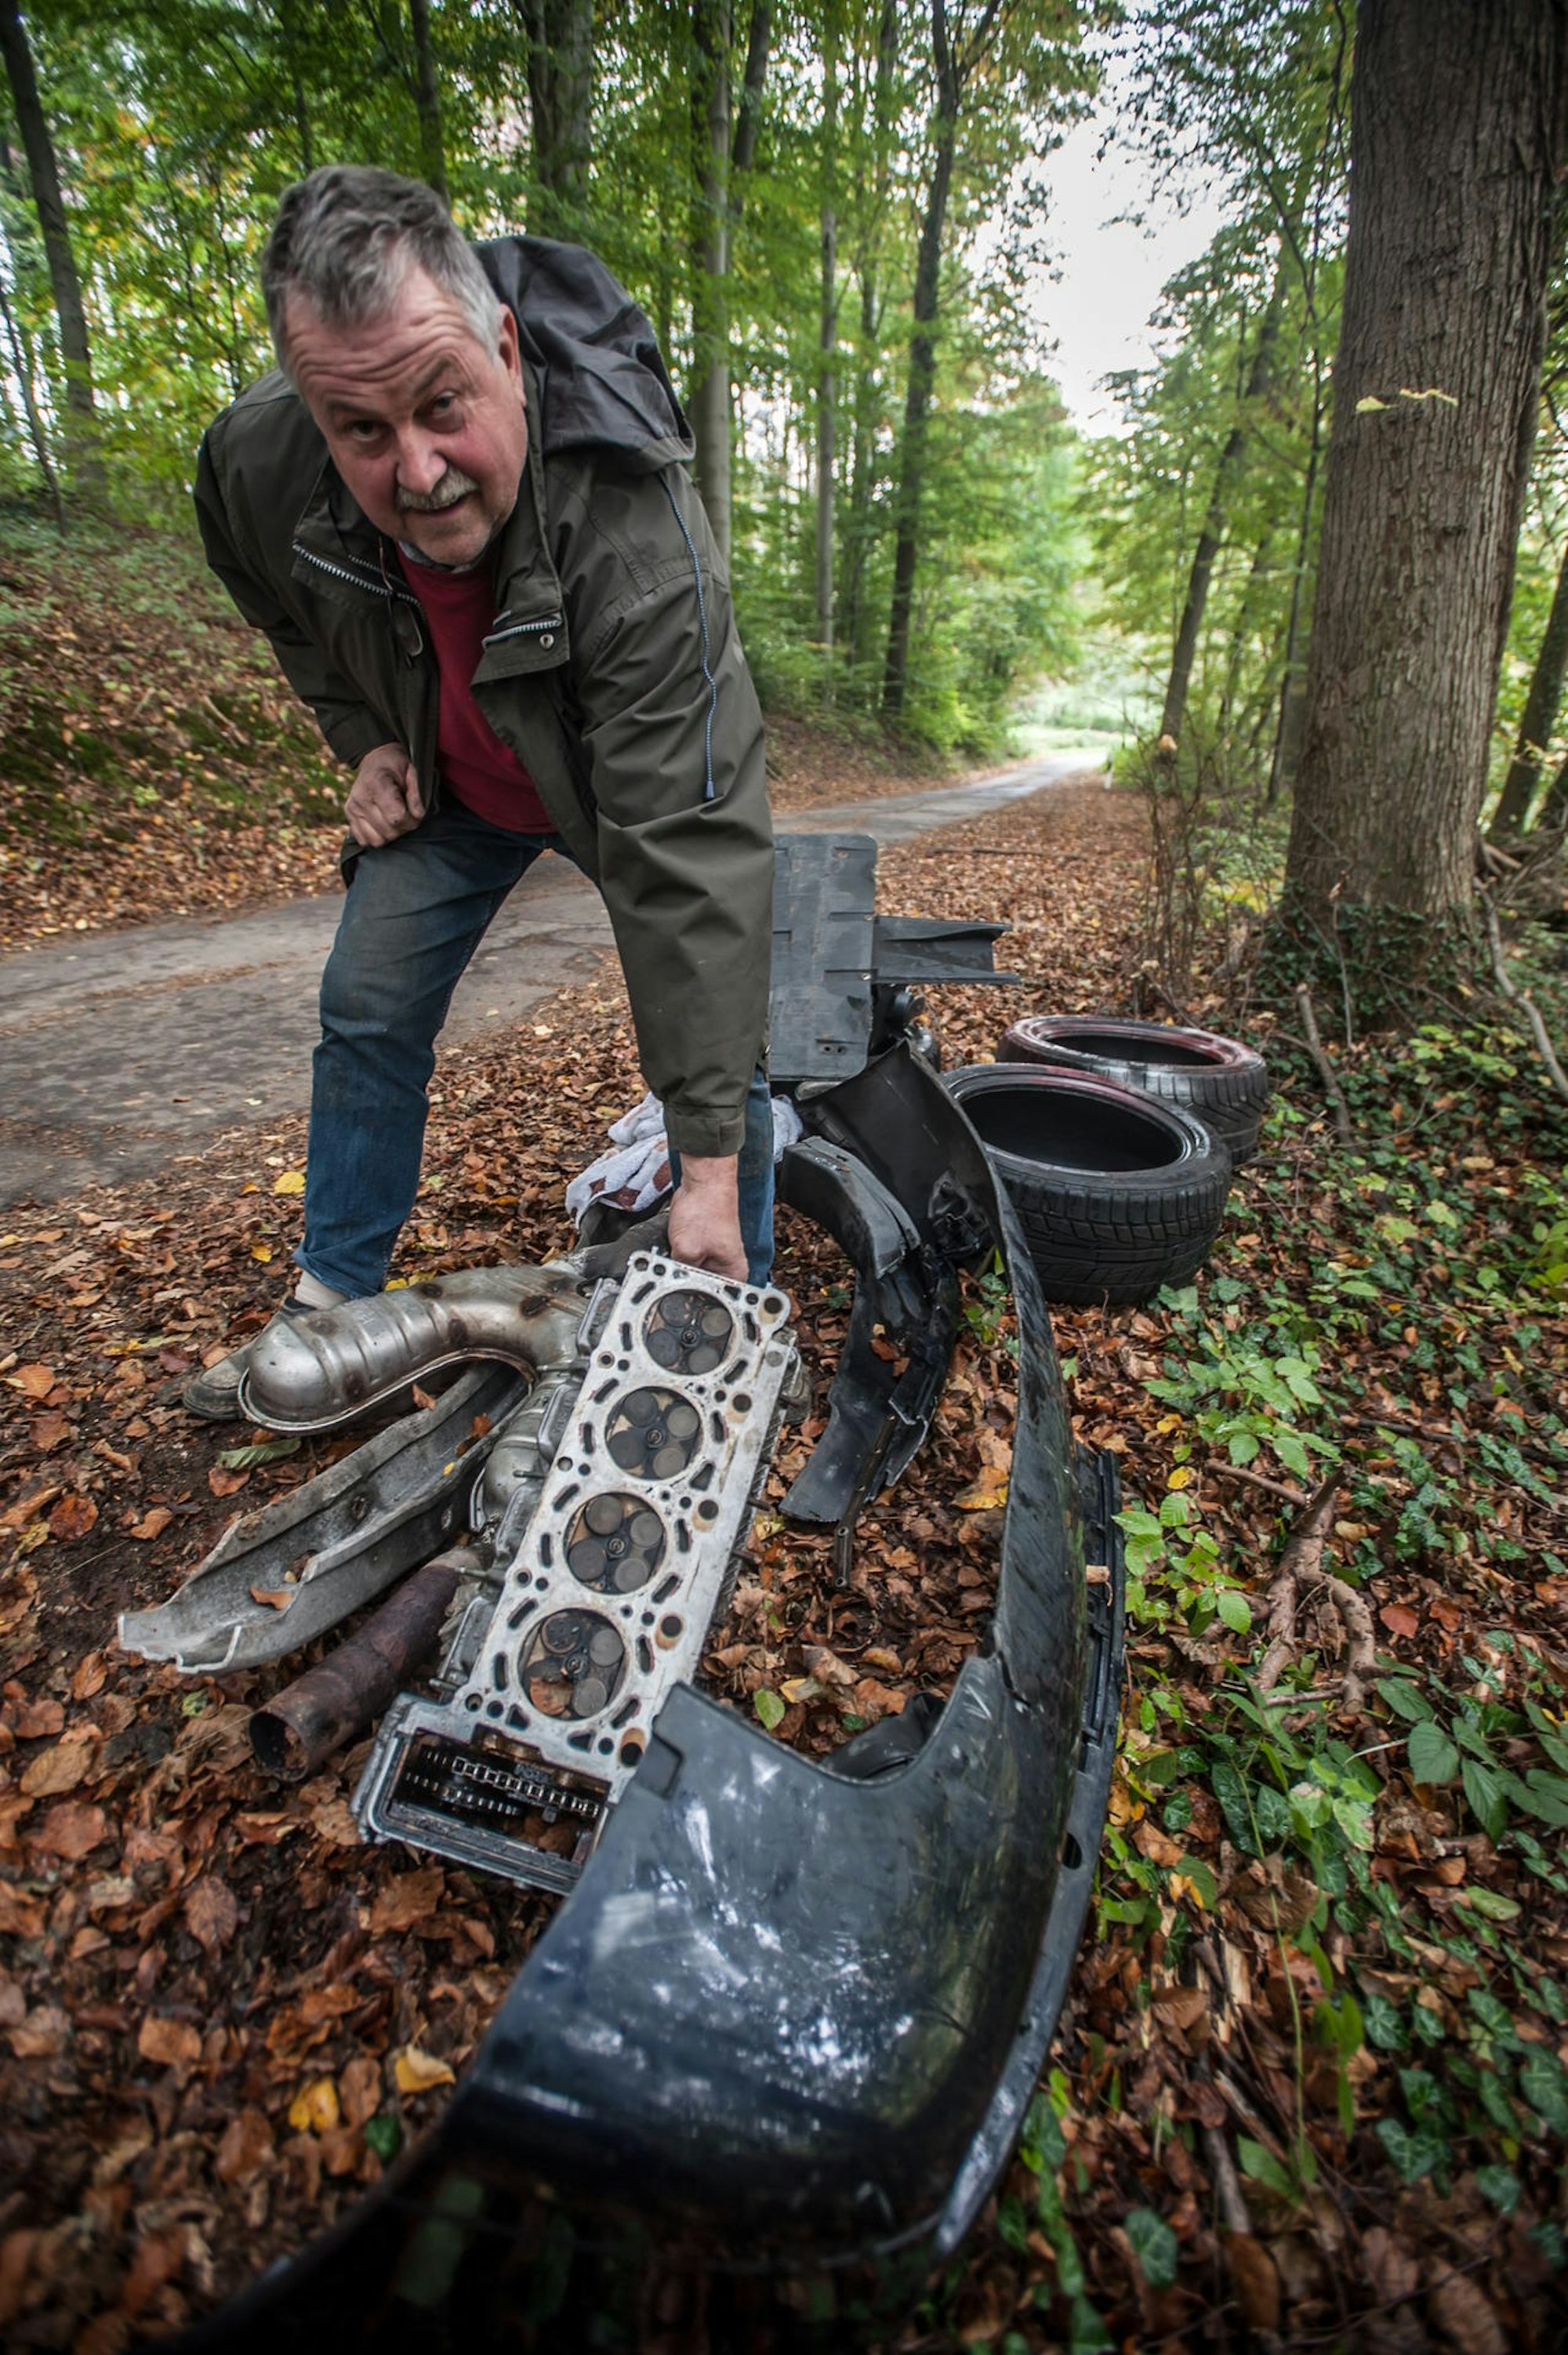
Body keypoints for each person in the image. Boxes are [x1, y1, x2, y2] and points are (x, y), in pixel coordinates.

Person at [184, 166, 775, 1420]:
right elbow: (270, 595)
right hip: (452, 780)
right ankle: (332, 1300)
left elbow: (693, 857)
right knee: (368, 1002)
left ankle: (722, 1311)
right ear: (311, 408)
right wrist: (360, 736)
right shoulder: (257, 462)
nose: (419, 470)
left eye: (443, 405)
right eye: (362, 431)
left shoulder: (638, 534)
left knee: (725, 1026)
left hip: (616, 785)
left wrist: (703, 1170)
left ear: (504, 348)